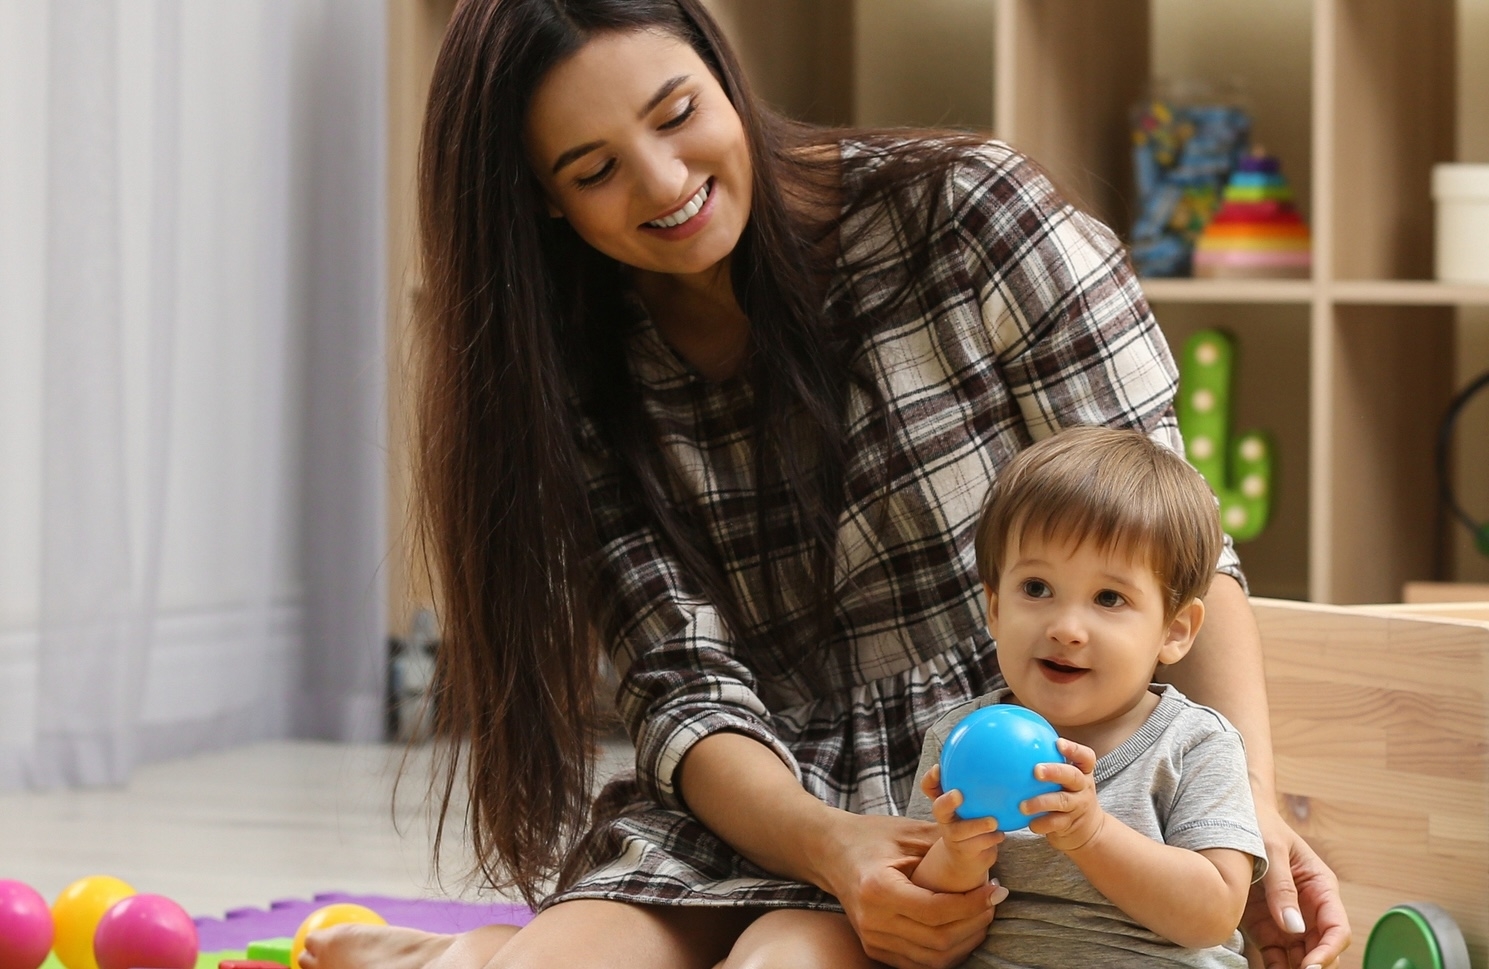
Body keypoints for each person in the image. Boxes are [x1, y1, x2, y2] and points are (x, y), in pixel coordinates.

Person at [302, 2, 1350, 968]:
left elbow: (1177, 537)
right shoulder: (564, 371)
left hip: (986, 792)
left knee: (783, 963)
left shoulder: (970, 213)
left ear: (724, 73)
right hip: (760, 796)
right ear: (545, 202)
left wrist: (1248, 806)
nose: (664, 183)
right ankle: (472, 955)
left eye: (677, 114)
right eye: (594, 171)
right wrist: (834, 846)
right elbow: (684, 690)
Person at [906, 425, 1265, 967]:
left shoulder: (1196, 744)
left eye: (1108, 597)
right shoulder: (959, 740)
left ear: (1174, 630)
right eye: (1036, 589)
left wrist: (1092, 833)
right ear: (995, 607)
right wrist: (954, 856)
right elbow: (918, 916)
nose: (1066, 628)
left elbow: (1215, 913)